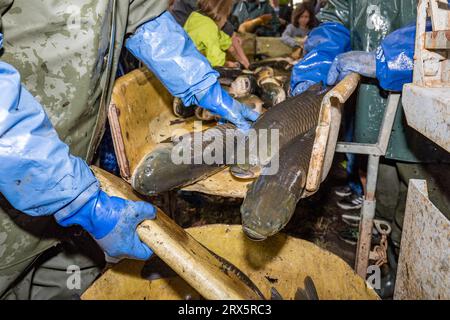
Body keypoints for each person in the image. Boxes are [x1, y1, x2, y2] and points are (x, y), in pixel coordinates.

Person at [0, 0, 259, 300]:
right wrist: (79, 201)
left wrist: (203, 86)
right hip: (16, 190)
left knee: (70, 284)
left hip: (78, 169)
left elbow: (144, 18)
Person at [290, 0, 450, 248]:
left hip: (432, 117)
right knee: (383, 204)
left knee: (428, 219)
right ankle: (387, 266)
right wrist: (317, 67)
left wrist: (393, 58)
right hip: (374, 112)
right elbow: (335, 20)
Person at [170, 0, 249, 68]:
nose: (225, 21)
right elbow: (215, 59)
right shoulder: (208, 27)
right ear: (222, 14)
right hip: (182, 60)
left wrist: (231, 46)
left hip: (178, 50)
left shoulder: (198, 17)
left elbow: (222, 38)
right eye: (226, 16)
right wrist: (227, 64)